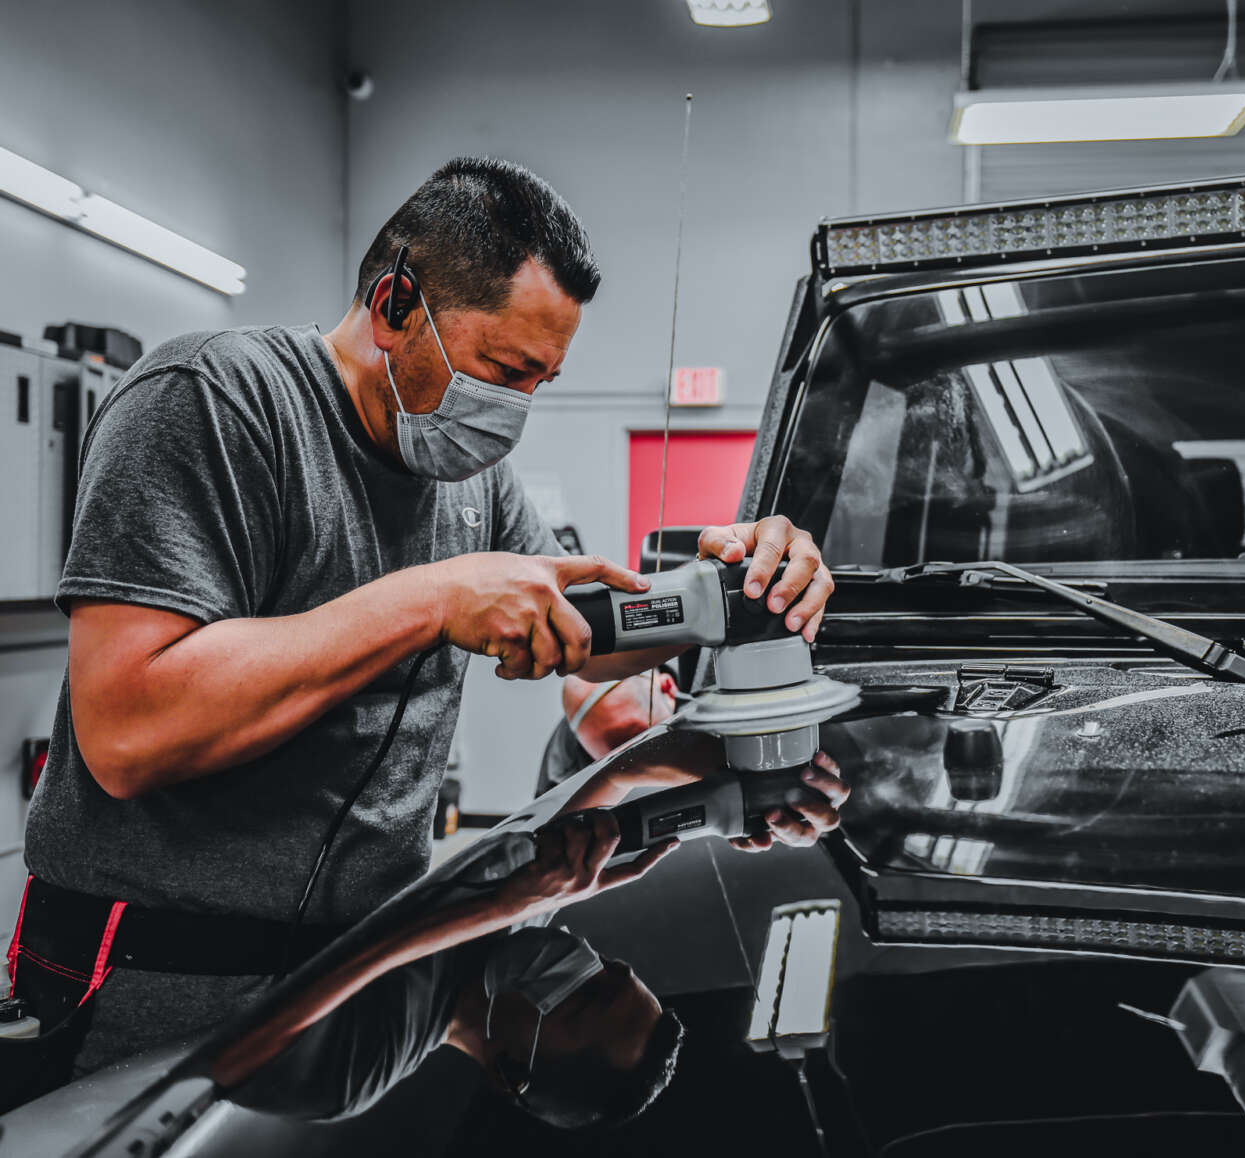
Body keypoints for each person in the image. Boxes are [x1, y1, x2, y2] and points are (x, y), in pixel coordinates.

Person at [9, 155, 844, 1090]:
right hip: (143, 981)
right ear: (396, 303)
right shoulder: (213, 402)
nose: (514, 410)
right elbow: (128, 731)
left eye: (541, 380)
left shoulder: (471, 477)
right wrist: (432, 600)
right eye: (501, 369)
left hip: (359, 961)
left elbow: (578, 636)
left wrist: (727, 594)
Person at [215, 814, 681, 1127]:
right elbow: (593, 803)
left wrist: (489, 909)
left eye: (585, 997)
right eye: (607, 969)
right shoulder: (524, 912)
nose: (582, 960)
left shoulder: (358, 1071)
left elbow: (225, 1062)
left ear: (513, 1069)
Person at [536, 667, 681, 795]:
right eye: (611, 759)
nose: (634, 769)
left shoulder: (698, 664)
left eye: (640, 742)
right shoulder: (562, 788)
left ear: (668, 688)